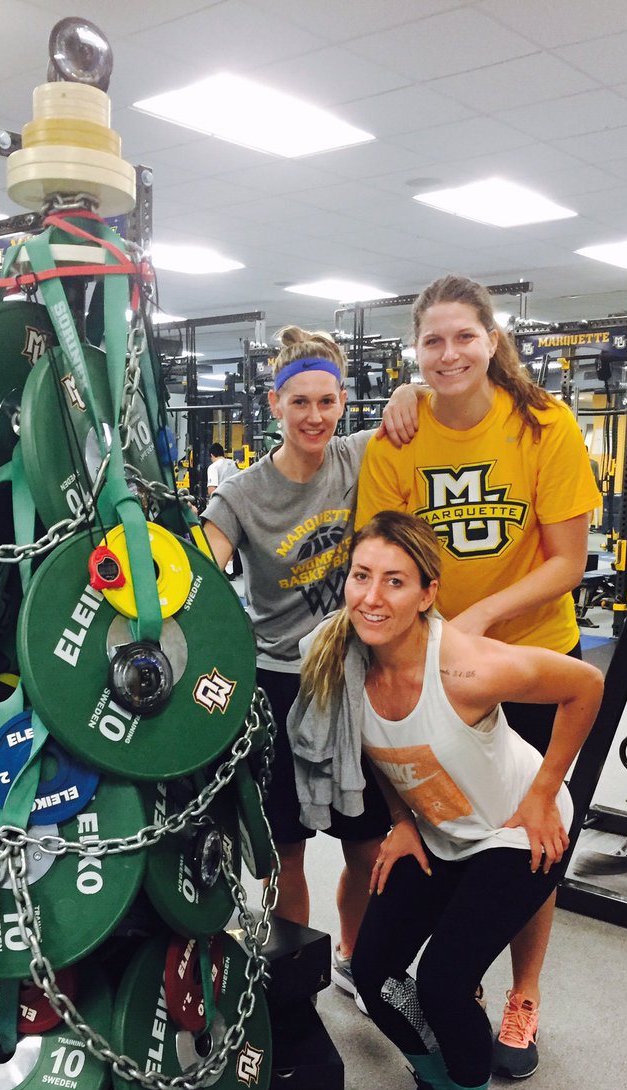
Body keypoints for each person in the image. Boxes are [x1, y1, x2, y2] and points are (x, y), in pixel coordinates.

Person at [289, 511, 603, 1090]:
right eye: (361, 577)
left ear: (428, 593)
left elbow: (586, 686)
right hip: (439, 832)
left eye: (395, 582)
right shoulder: (347, 663)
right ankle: (434, 1084)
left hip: (516, 833)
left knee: (442, 982)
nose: (372, 597)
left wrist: (546, 789)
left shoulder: (465, 666)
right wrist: (401, 819)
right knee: (372, 971)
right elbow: (381, 754)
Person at [356, 274, 601, 1078]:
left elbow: (569, 559)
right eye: (432, 341)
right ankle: (457, 980)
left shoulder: (544, 424)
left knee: (531, 831)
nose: (450, 352)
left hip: (526, 652)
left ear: (492, 340)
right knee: (447, 818)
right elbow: (382, 551)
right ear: (416, 351)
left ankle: (523, 994)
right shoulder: (400, 435)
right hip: (434, 665)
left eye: (465, 336)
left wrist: (485, 617)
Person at [202, 326, 392, 1006]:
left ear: (344, 403)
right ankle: (296, 979)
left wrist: (407, 396)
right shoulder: (243, 495)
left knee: (366, 844)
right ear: (274, 404)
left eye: (328, 401)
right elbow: (197, 574)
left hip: (353, 679)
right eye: (301, 402)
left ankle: (357, 963)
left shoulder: (359, 455)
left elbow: (441, 397)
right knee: (286, 849)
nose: (315, 416)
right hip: (277, 684)